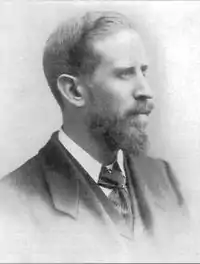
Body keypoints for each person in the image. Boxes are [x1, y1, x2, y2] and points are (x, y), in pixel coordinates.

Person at [0, 10, 188, 262]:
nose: (146, 91)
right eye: (124, 74)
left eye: (143, 72)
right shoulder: (14, 201)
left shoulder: (163, 177)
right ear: (74, 90)